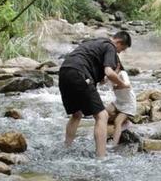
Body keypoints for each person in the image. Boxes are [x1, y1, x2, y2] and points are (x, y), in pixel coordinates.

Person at [58, 29, 131, 159]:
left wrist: (110, 76)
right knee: (102, 115)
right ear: (119, 42)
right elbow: (109, 72)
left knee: (77, 114)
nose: (119, 52)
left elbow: (102, 79)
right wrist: (123, 84)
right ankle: (101, 158)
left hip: (64, 72)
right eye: (122, 49)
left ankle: (66, 148)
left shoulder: (95, 42)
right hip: (80, 73)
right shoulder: (110, 46)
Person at [110, 58, 137, 146]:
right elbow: (102, 82)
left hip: (129, 104)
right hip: (118, 102)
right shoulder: (109, 75)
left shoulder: (122, 73)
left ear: (118, 65)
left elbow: (128, 84)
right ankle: (125, 122)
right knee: (102, 113)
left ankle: (114, 145)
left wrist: (117, 86)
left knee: (117, 122)